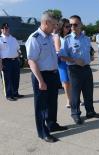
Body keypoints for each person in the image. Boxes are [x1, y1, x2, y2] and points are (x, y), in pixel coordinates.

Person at [25, 11, 68, 143]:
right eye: (54, 24)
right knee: (41, 106)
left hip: (52, 75)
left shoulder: (50, 37)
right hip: (42, 76)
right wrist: (40, 80)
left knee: (52, 103)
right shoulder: (34, 38)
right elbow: (31, 61)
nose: (55, 27)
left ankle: (52, 124)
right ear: (46, 23)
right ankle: (42, 132)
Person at [60, 15, 99, 125]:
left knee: (88, 91)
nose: (72, 27)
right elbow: (62, 56)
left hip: (86, 68)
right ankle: (75, 114)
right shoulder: (67, 39)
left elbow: (89, 50)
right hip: (74, 69)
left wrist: (91, 55)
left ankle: (90, 111)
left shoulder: (86, 38)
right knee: (75, 94)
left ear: (80, 24)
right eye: (70, 25)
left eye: (75, 24)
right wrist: (75, 60)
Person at [0, 23, 24, 101]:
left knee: (16, 78)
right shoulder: (0, 39)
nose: (6, 29)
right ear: (1, 30)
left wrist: (20, 56)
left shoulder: (13, 38)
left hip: (15, 61)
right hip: (5, 62)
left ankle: (15, 93)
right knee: (7, 79)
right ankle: (9, 95)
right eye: (4, 28)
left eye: (7, 28)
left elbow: (18, 48)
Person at [54, 18, 71, 108]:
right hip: (63, 62)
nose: (69, 28)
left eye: (70, 26)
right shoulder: (57, 37)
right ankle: (68, 99)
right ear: (61, 27)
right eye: (67, 26)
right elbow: (58, 50)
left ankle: (76, 98)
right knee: (66, 82)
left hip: (71, 61)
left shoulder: (71, 36)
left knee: (73, 81)